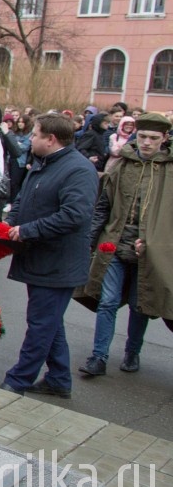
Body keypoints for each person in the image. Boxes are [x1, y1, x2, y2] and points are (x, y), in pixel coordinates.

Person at [0, 114, 99, 398]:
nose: (30, 139)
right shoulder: (46, 163)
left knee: (41, 323)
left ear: (51, 139)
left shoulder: (78, 170)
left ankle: (17, 380)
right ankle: (58, 379)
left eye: (35, 134)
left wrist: (28, 230)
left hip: (58, 263)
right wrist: (12, 221)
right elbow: (24, 197)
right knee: (49, 321)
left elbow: (75, 215)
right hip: (42, 259)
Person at [77, 112, 172, 377]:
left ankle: (132, 352)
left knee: (139, 305)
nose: (146, 143)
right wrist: (91, 241)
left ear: (164, 139)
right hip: (115, 245)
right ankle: (99, 356)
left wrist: (156, 243)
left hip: (150, 252)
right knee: (107, 301)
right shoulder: (121, 165)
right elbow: (103, 207)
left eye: (153, 138)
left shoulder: (170, 170)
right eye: (142, 137)